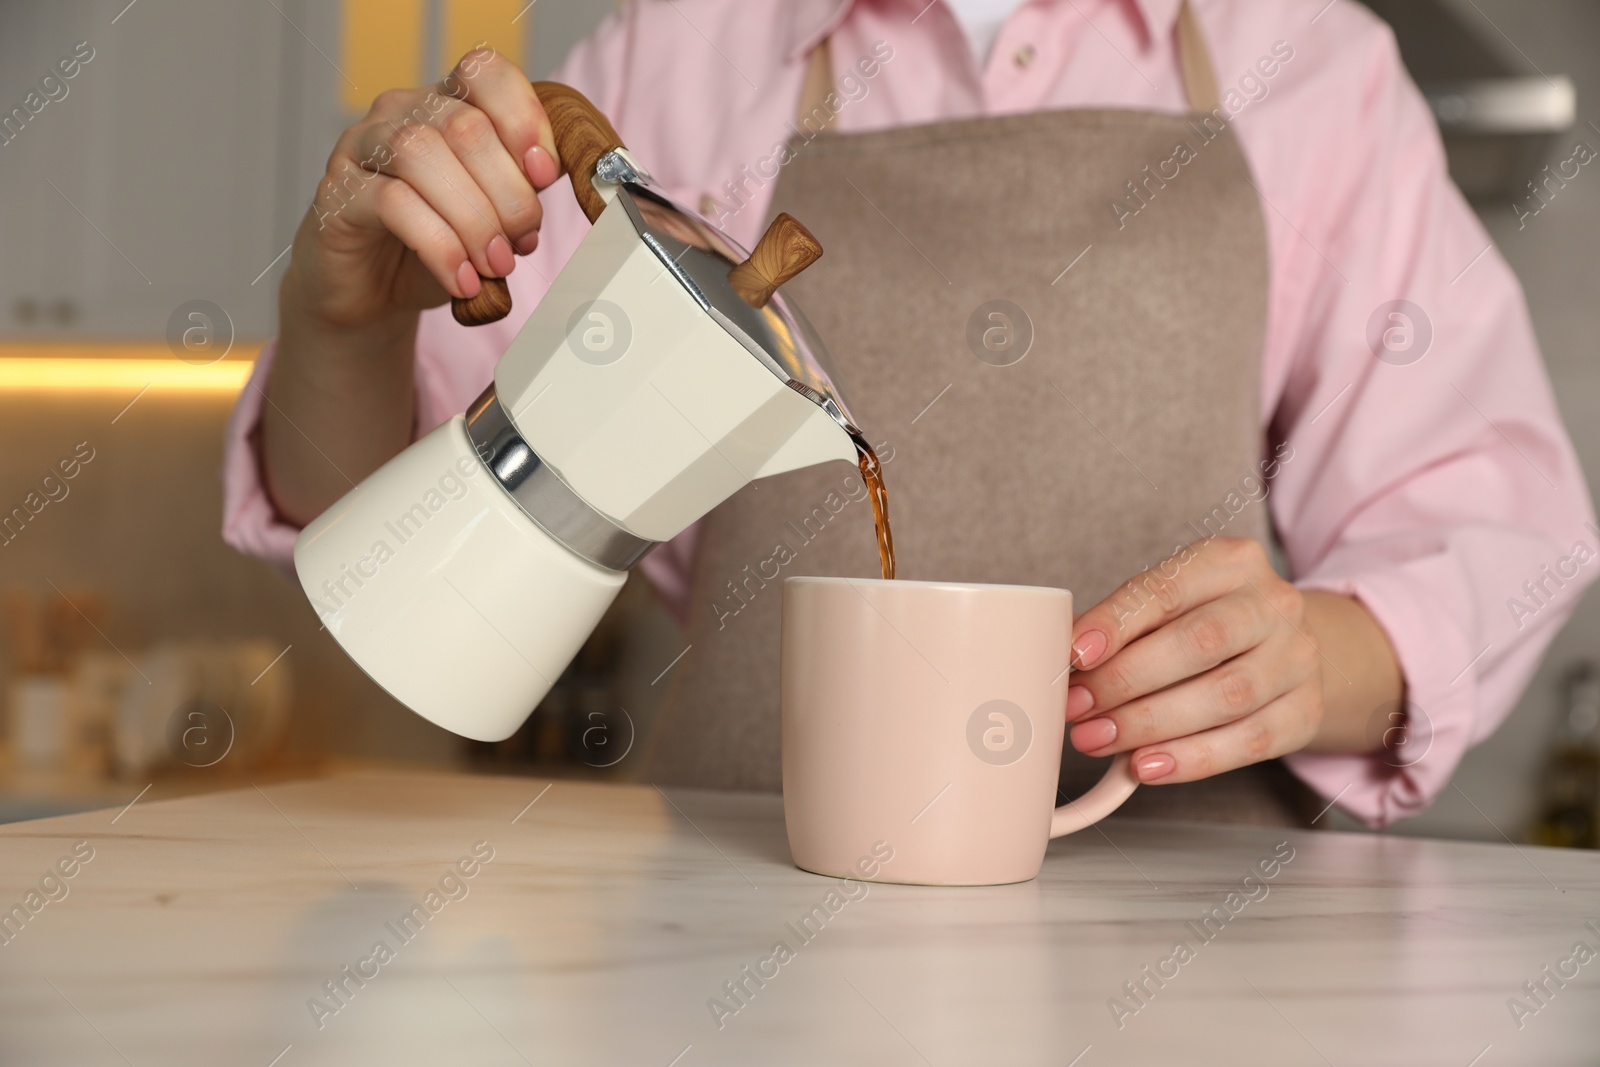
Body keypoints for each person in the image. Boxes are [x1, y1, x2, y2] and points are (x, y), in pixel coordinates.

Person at [223, 0, 1596, 828]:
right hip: (733, 937)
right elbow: (399, 544)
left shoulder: (1304, 60)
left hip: (1191, 947)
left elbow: (1493, 523)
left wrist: (1314, 657)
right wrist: (347, 321)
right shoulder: (688, 49)